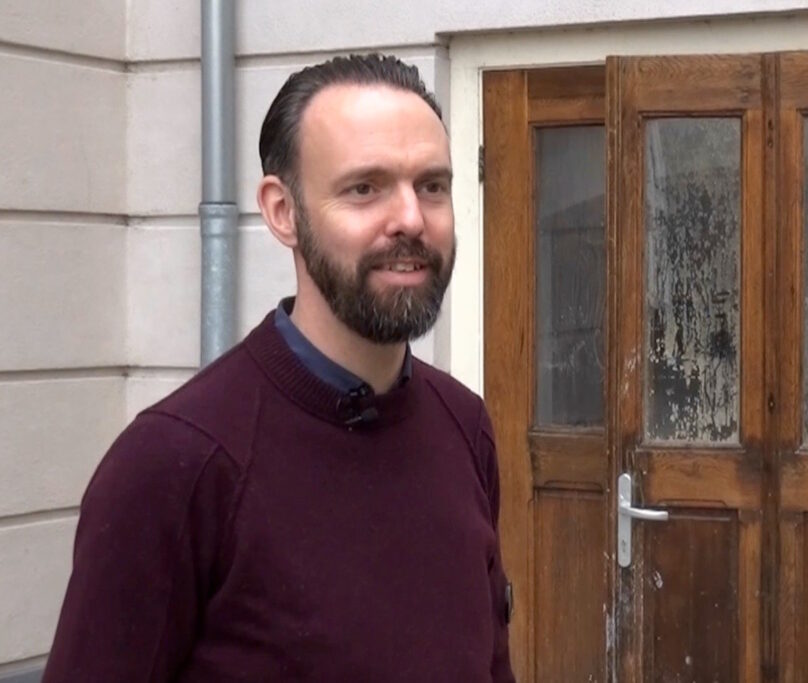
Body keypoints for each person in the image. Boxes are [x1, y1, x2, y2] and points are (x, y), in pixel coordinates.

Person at [43, 53, 515, 683]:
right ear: (282, 211)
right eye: (365, 188)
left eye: (431, 186)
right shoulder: (176, 464)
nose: (410, 218)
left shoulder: (463, 426)